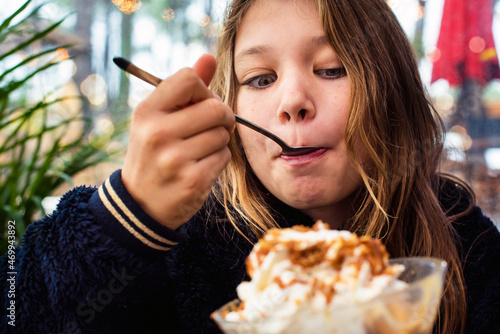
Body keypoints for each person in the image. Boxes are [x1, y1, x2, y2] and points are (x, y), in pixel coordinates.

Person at [1, 0, 499, 333]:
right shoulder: (188, 241)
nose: (292, 102)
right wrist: (128, 217)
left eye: (331, 68)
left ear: (392, 90)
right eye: (260, 79)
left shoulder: (467, 244)